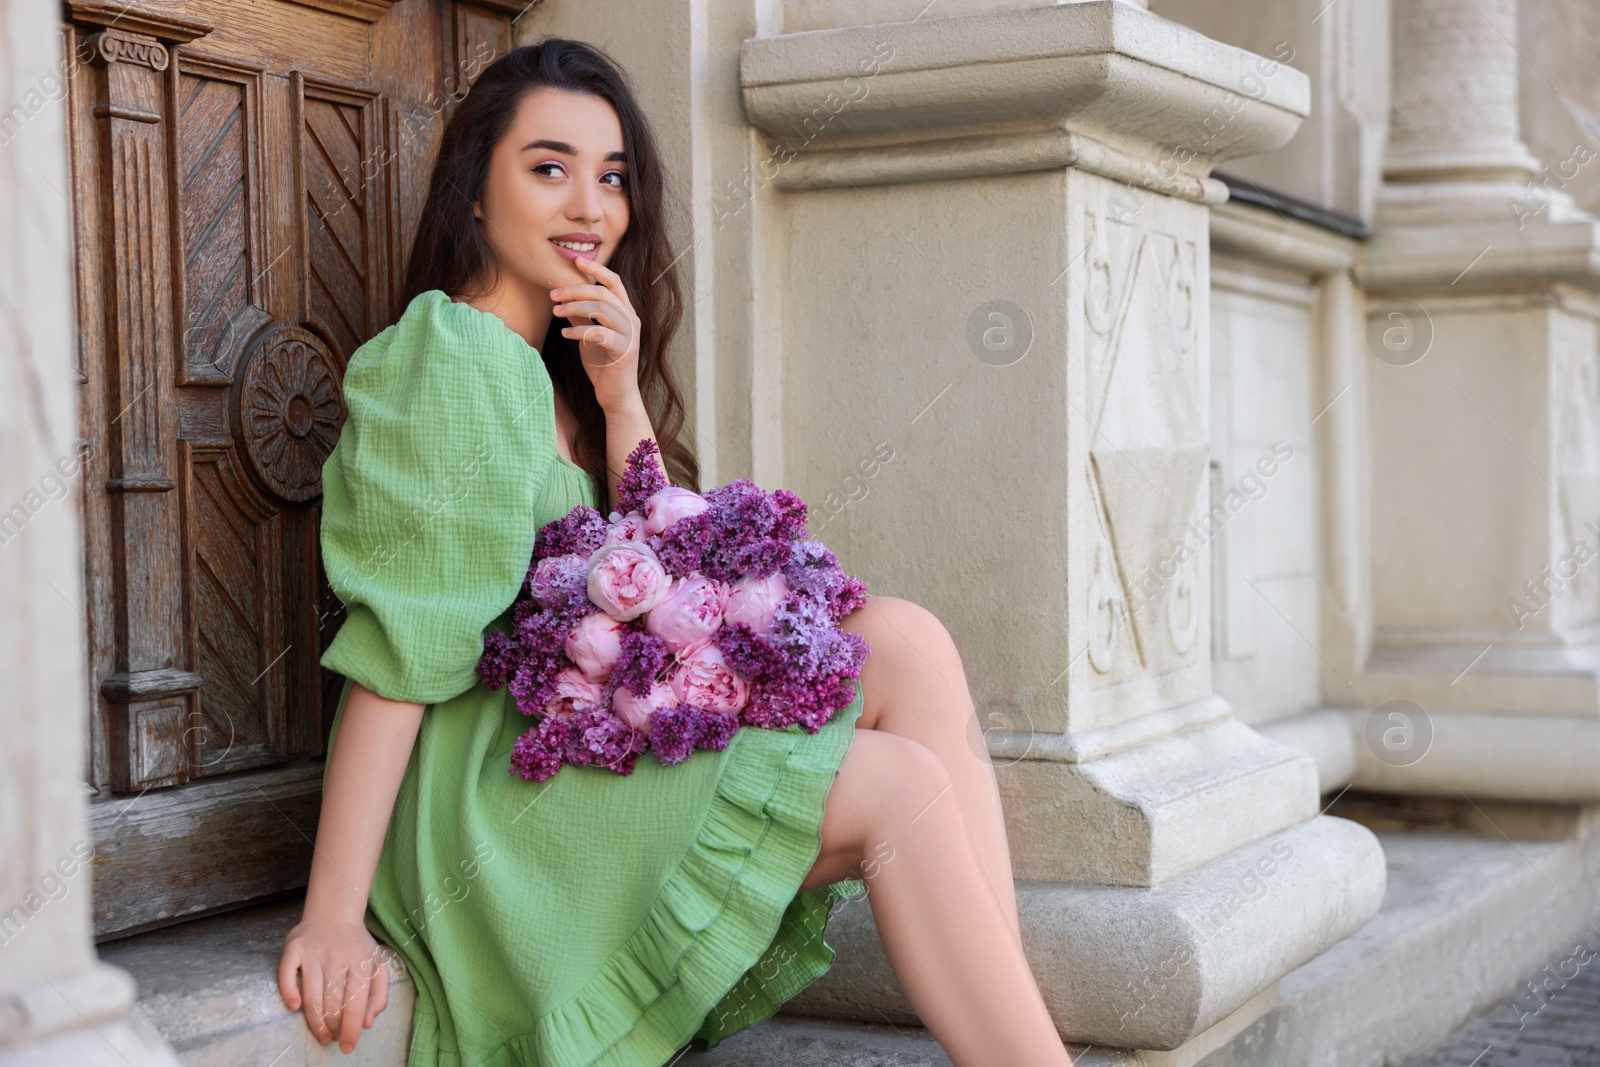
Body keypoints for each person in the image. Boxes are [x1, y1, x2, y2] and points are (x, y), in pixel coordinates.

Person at [275, 36, 1074, 1067]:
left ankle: (1011, 1030)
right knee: (896, 784)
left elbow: (663, 558)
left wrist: (617, 397)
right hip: (486, 786)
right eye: (548, 167)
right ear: (474, 192)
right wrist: (333, 910)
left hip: (572, 733)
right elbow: (405, 647)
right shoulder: (452, 354)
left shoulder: (546, 372)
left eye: (611, 177)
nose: (589, 207)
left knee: (907, 642)